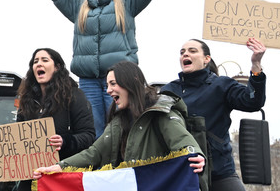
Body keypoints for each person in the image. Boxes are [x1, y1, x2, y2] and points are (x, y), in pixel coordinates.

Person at [38, 0, 165, 138]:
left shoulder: (126, 3)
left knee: (122, 124)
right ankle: (98, 160)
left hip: (119, 78)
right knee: (93, 128)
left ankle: (124, 158)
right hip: (88, 80)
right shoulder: (80, 8)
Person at [160, 38, 268, 191]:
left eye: (192, 51)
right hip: (183, 175)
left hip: (220, 172)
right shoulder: (168, 91)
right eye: (182, 52)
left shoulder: (222, 85)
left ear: (206, 59)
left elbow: (253, 101)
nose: (185, 54)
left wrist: (256, 64)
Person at [0, 48, 95, 191]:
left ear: (57, 67)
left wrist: (65, 141)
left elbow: (89, 135)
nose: (39, 63)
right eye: (35, 61)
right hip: (33, 178)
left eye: (44, 60)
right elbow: (17, 143)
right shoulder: (26, 101)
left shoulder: (74, 96)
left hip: (62, 177)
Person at [33, 60, 204, 175]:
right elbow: (94, 153)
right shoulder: (117, 122)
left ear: (133, 81)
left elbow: (184, 142)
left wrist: (196, 155)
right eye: (107, 85)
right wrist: (59, 167)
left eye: (113, 84)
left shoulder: (162, 113)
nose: (108, 90)